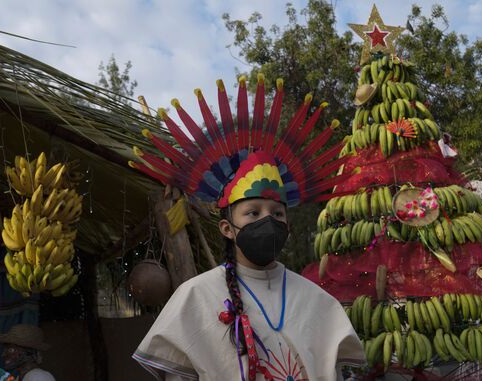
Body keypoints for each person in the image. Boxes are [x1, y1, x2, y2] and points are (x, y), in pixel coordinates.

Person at [131, 76, 366, 380]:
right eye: (253, 213)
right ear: (227, 228)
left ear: (289, 228)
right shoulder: (195, 296)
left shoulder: (318, 300)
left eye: (277, 214)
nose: (268, 221)